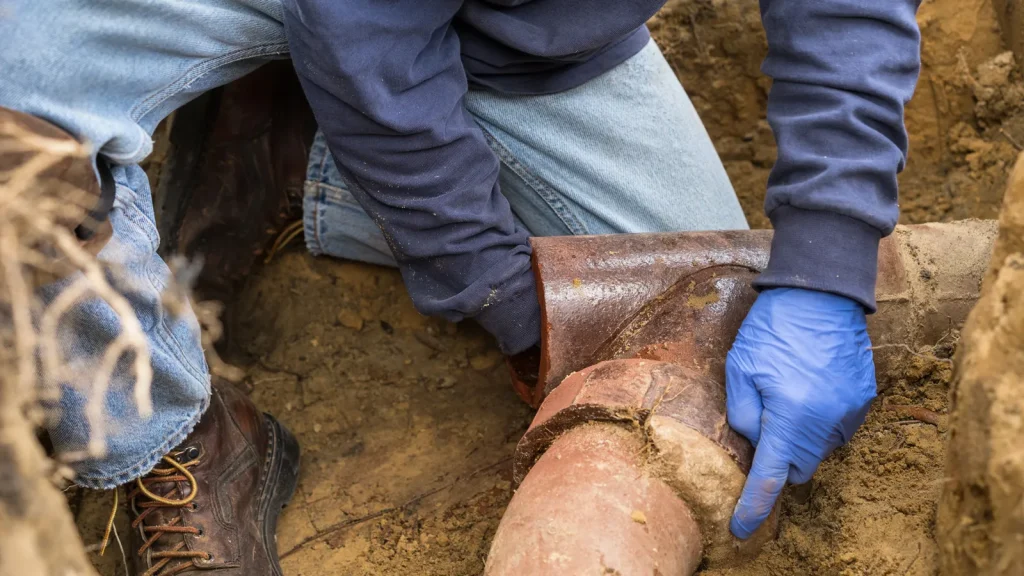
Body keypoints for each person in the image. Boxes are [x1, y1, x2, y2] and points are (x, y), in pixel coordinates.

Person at [0, 0, 921, 573]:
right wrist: (512, 309)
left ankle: (299, 159)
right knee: (11, 140)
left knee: (694, 316)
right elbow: (363, 38)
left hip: (515, 22)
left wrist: (828, 272)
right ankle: (172, 438)